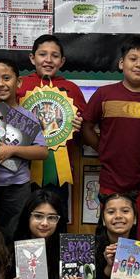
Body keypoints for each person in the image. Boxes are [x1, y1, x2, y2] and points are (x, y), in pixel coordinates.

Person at [81, 36, 140, 260]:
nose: (138, 64)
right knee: (113, 236)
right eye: (133, 59)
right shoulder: (104, 94)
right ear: (121, 64)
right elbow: (87, 127)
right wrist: (103, 149)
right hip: (113, 179)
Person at [17, 34, 86, 212]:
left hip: (57, 171)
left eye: (54, 56)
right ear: (32, 58)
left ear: (62, 61)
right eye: (42, 54)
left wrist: (80, 125)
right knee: (24, 219)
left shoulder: (72, 89)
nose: (48, 60)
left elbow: (85, 127)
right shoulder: (19, 85)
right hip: (21, 169)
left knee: (56, 217)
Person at [0, 59, 49, 242]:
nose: (0, 84)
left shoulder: (26, 117)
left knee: (14, 234)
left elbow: (42, 152)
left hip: (17, 187)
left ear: (19, 82)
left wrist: (11, 150)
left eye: (6, 78)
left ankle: (12, 271)